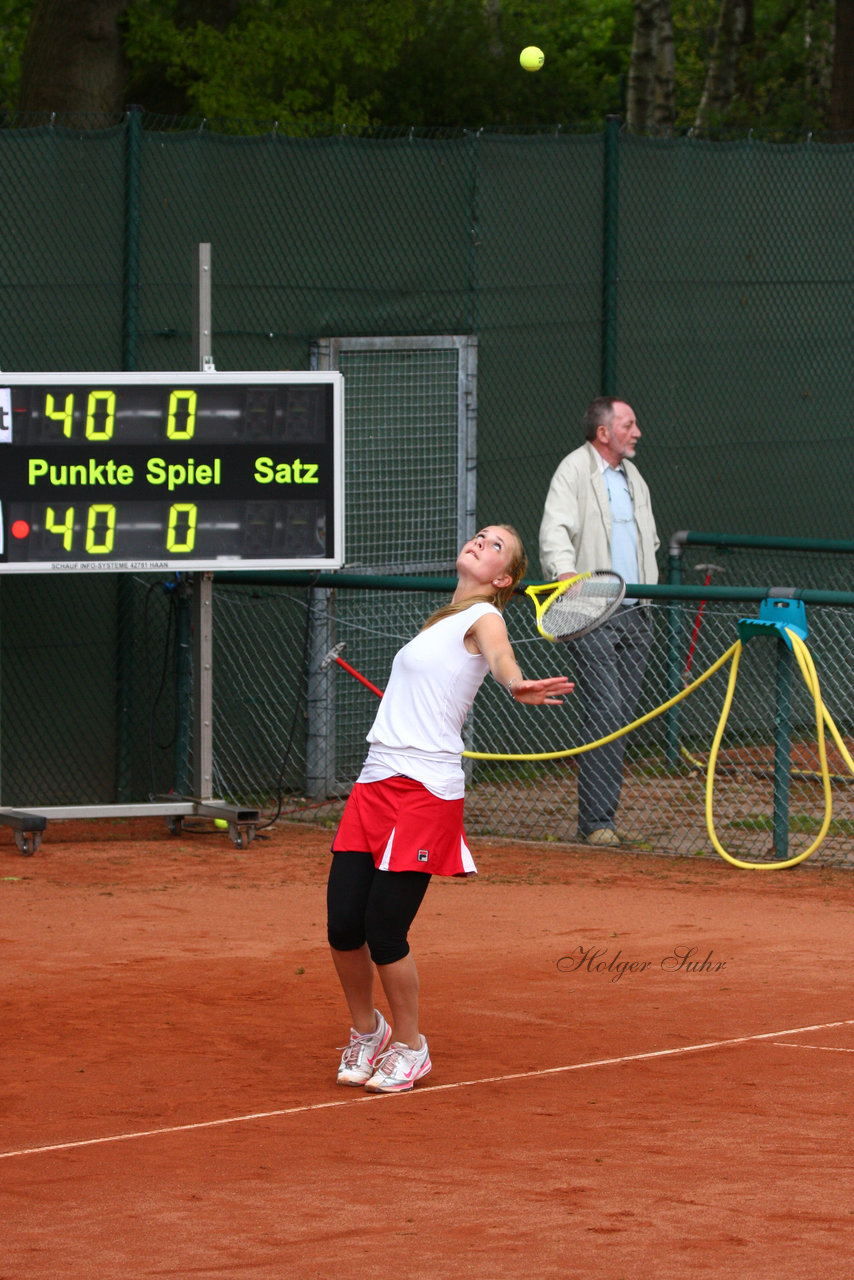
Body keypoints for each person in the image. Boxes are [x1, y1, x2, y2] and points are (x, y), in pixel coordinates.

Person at [326, 525, 573, 1094]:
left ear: (503, 578)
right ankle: (368, 1031)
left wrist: (515, 684)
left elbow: (502, 657)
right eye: (479, 536)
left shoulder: (486, 618)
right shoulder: (438, 621)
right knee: (344, 926)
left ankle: (412, 1047)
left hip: (425, 789)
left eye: (494, 547)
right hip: (375, 782)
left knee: (384, 929)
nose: (479, 543)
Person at [538, 397, 659, 847]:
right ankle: (596, 824)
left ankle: (602, 819)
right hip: (589, 612)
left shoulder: (634, 478)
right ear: (604, 432)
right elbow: (555, 531)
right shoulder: (573, 469)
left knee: (622, 716)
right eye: (629, 424)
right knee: (607, 709)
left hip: (638, 612)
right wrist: (564, 572)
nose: (637, 432)